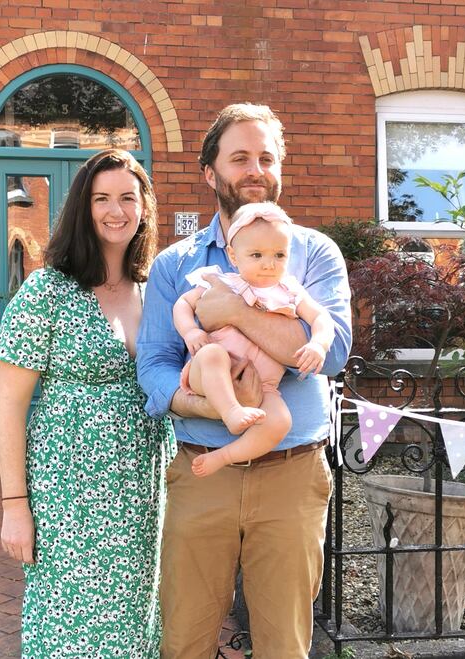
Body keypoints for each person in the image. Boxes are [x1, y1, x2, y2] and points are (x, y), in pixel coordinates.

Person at [137, 103, 352, 658]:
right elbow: (156, 366)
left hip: (291, 472)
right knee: (184, 639)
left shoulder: (313, 254)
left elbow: (333, 354)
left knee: (284, 644)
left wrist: (231, 310)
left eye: (265, 157)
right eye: (239, 158)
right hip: (202, 470)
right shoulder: (175, 265)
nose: (255, 169)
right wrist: (212, 407)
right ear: (210, 173)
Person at [0, 149, 175, 658]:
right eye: (101, 198)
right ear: (83, 207)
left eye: (126, 197)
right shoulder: (46, 291)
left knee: (135, 623)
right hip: (68, 498)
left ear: (144, 207)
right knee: (68, 628)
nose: (115, 210)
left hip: (143, 492)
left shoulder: (152, 291)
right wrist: (15, 507)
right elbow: (9, 409)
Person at [173, 201, 335, 477]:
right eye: (257, 255)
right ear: (234, 256)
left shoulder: (290, 291)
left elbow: (322, 318)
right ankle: (231, 410)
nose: (269, 264)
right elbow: (182, 305)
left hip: (267, 385)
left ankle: (225, 456)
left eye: (279, 255)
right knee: (213, 354)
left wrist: (318, 344)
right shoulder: (224, 282)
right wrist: (191, 331)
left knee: (280, 421)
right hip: (213, 372)